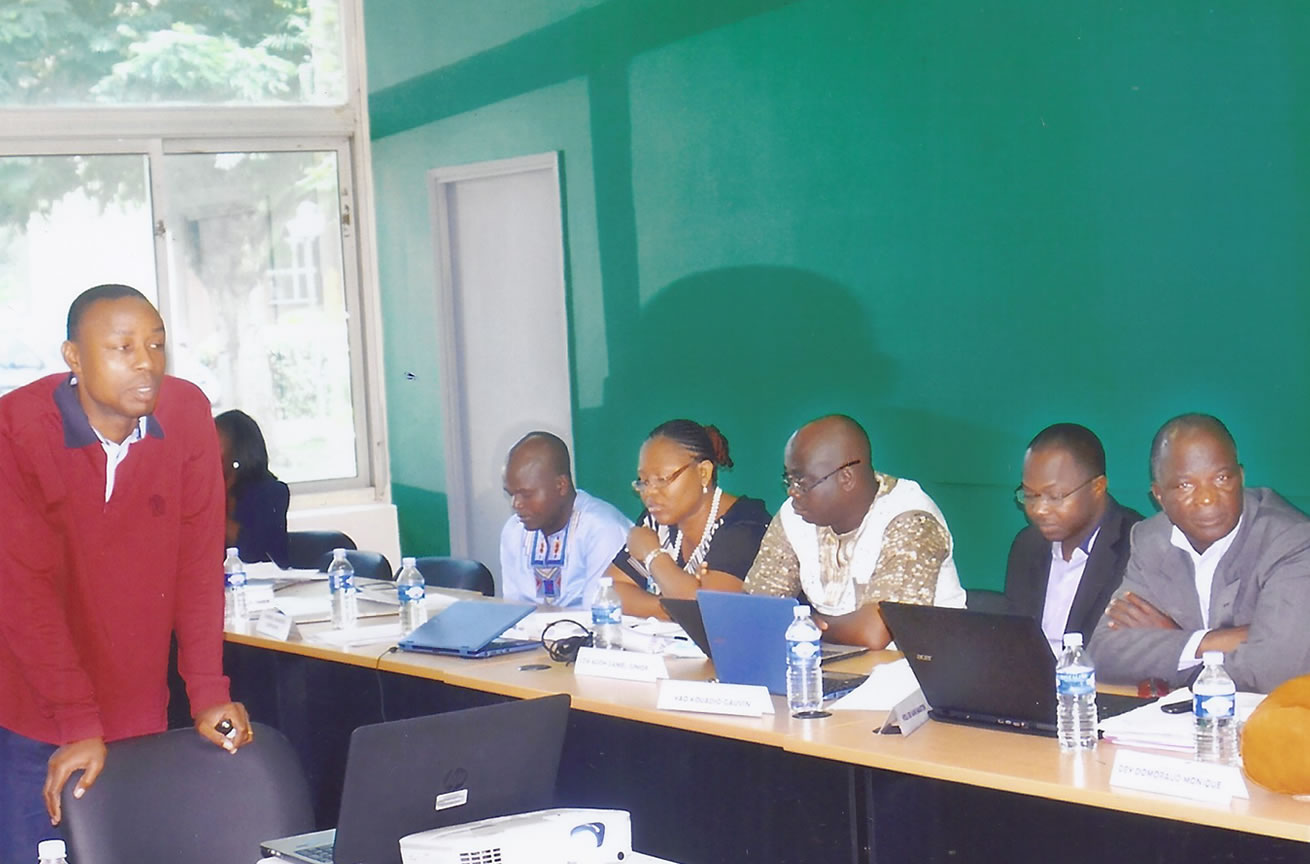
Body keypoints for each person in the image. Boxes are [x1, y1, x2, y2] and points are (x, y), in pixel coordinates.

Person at [0, 284, 253, 860]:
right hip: (35, 714)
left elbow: (198, 565)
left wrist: (208, 694)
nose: (146, 362)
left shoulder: (186, 414)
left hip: (140, 711)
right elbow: (23, 594)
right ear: (73, 357)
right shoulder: (17, 429)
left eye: (156, 345)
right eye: (123, 347)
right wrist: (76, 721)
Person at [1092, 414, 1310, 693]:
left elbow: (1274, 669)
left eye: (1221, 478)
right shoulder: (1151, 540)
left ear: (1241, 477)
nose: (1207, 498)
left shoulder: (1291, 540)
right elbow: (1104, 653)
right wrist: (1205, 641)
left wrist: (1175, 648)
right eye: (1186, 485)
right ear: (1159, 495)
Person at [744, 415, 966, 649]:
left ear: (846, 478)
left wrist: (808, 626)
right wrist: (805, 626)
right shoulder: (794, 515)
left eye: (802, 482)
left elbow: (875, 631)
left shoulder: (911, 518)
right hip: (839, 662)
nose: (792, 492)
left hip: (927, 664)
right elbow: (756, 609)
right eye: (788, 480)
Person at [609, 420, 770, 617]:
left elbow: (712, 613)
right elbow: (611, 592)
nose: (649, 493)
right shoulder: (655, 521)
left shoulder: (745, 526)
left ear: (703, 473)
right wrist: (677, 608)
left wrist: (652, 554)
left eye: (662, 479)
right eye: (644, 481)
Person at [1004, 423, 1142, 653]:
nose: (1039, 510)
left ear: (1098, 487)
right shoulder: (1027, 546)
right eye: (1029, 495)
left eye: (1055, 496)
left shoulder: (1137, 548)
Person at [499, 431, 632, 607]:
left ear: (561, 486)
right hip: (531, 626)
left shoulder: (603, 530)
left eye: (526, 494)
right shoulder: (514, 530)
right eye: (511, 494)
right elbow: (513, 608)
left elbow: (599, 612)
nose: (516, 504)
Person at [215, 409, 290, 567]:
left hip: (260, 579)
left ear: (238, 451)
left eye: (214, 444)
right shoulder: (207, 490)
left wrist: (211, 512)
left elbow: (254, 551)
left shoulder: (270, 492)